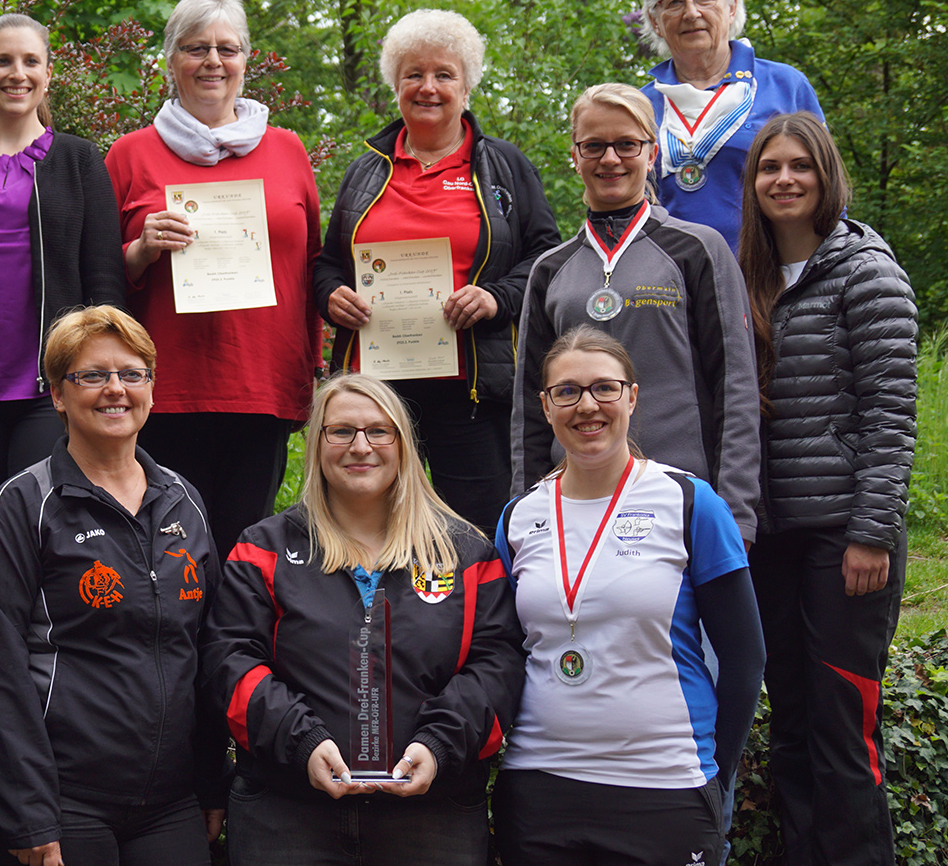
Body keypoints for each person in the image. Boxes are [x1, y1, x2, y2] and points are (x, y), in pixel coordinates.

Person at [202, 373, 525, 865]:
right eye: (341, 431)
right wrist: (303, 741)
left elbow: (497, 665)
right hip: (288, 815)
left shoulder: (465, 554)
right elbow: (230, 661)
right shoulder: (261, 549)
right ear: (316, 444)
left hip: (432, 818)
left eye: (379, 431)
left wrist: (439, 744)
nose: (360, 446)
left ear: (403, 444)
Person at [0, 306, 223, 866]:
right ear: (57, 395)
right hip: (63, 802)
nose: (115, 390)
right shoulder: (23, 507)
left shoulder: (184, 500)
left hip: (171, 803)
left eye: (132, 374)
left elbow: (204, 652)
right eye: (91, 375)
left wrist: (211, 781)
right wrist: (27, 809)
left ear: (152, 388)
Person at [494, 326, 765, 865]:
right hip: (540, 787)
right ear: (546, 407)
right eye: (567, 391)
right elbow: (501, 652)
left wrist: (717, 769)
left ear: (633, 397)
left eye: (605, 388)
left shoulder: (689, 503)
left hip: (664, 785)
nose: (586, 405)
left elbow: (744, 657)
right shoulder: (519, 517)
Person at [737, 112, 916, 865]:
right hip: (775, 537)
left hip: (847, 539)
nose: (784, 179)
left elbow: (891, 414)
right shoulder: (748, 277)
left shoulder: (866, 269)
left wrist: (870, 533)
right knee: (794, 725)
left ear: (825, 175)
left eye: (799, 166)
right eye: (769, 167)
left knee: (846, 731)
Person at [315, 9, 559, 536]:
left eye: (444, 74)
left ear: (466, 85)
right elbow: (329, 262)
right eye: (413, 75)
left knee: (476, 531)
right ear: (395, 84)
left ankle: (481, 620)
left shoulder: (504, 166)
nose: (428, 87)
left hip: (469, 389)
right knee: (369, 527)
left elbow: (546, 256)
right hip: (375, 390)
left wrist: (496, 298)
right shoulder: (365, 170)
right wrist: (331, 294)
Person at [106, 0, 321, 554]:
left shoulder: (287, 151)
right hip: (163, 388)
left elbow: (312, 266)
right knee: (165, 552)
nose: (213, 62)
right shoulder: (130, 154)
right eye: (196, 48)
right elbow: (101, 280)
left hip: (262, 384)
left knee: (245, 550)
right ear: (172, 60)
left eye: (228, 49)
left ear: (246, 60)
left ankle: (236, 649)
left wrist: (310, 371)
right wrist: (142, 248)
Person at [512, 83, 761, 542]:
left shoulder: (697, 249)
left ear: (651, 154)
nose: (610, 159)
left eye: (627, 144)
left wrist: (736, 513)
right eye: (594, 145)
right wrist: (526, 508)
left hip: (680, 501)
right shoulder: (550, 270)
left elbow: (736, 386)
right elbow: (531, 402)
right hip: (575, 502)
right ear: (575, 155)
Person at [0, 12, 125, 538]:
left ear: (48, 73)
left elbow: (104, 282)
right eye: (4, 61)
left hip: (50, 392)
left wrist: (104, 381)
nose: (18, 73)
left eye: (30, 61)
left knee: (40, 536)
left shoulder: (79, 161)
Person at [639, 0, 825, 251]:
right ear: (656, 22)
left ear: (732, 6)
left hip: (772, 278)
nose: (691, 12)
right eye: (673, 3)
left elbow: (827, 188)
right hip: (670, 286)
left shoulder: (784, 86)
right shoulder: (640, 107)